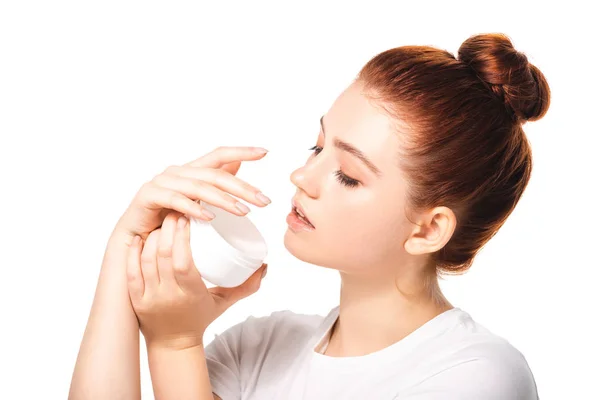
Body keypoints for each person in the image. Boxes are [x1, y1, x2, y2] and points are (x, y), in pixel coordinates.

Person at [69, 32, 550, 399]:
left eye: (347, 175)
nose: (301, 176)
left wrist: (175, 345)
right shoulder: (260, 346)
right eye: (316, 147)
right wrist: (124, 249)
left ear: (428, 229)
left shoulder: (476, 374)